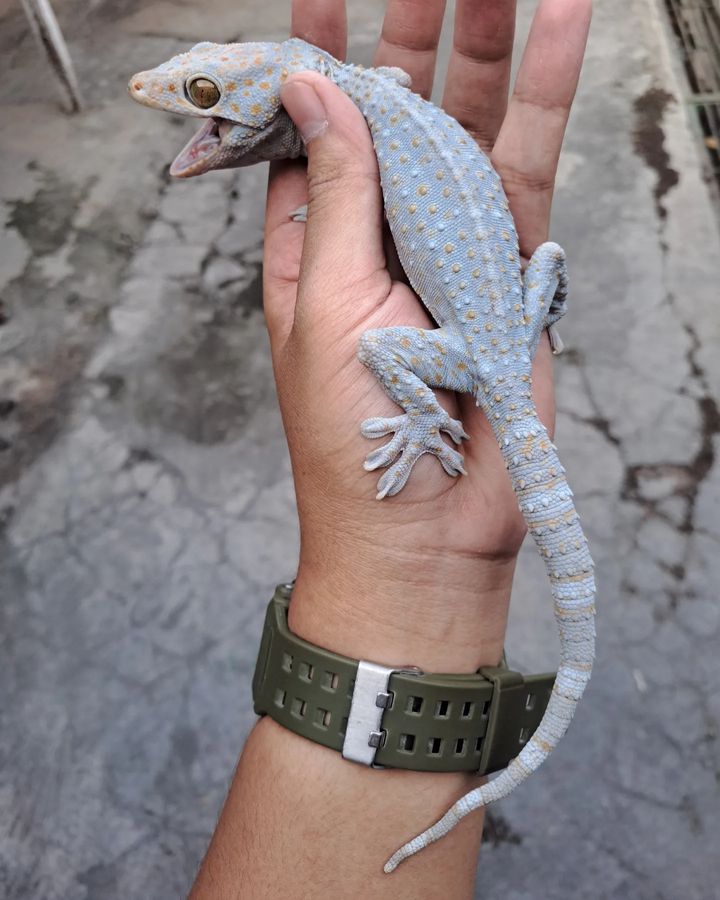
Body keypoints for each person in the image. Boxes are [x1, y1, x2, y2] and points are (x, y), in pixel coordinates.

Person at [189, 0, 592, 896]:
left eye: (207, 90)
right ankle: (524, 334)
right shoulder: (382, 90)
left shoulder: (353, 117)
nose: (193, 104)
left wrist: (424, 416)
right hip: (510, 328)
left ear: (285, 101)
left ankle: (423, 410)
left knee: (375, 347)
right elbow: (401, 81)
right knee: (546, 253)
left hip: (474, 357)